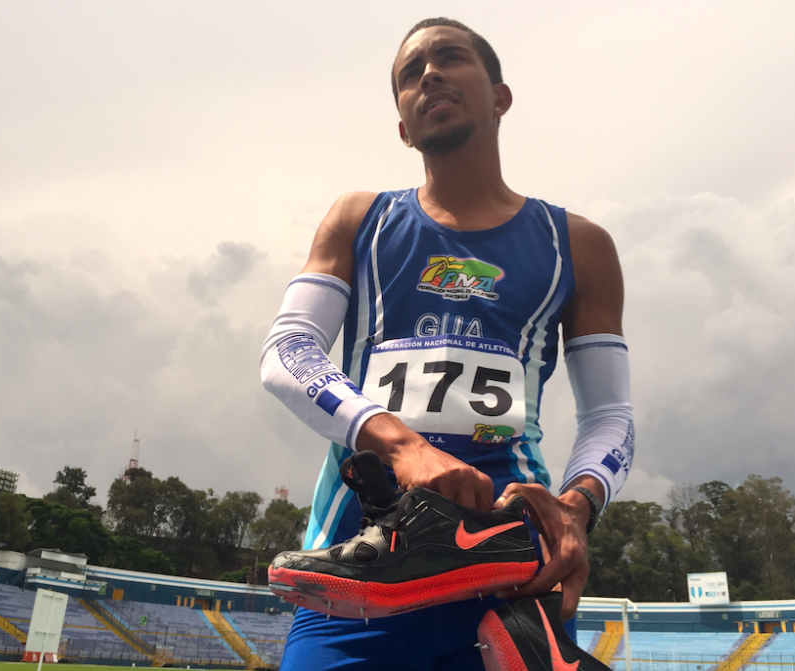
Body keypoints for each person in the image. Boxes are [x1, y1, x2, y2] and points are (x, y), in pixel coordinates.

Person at [261, 17, 633, 671]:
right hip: (360, 569)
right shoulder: (359, 220)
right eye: (410, 73)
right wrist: (403, 446)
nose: (429, 74)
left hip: (510, 572)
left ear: (500, 96)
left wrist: (577, 505)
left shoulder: (579, 245)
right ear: (403, 125)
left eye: (450, 58)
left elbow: (611, 416)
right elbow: (288, 350)